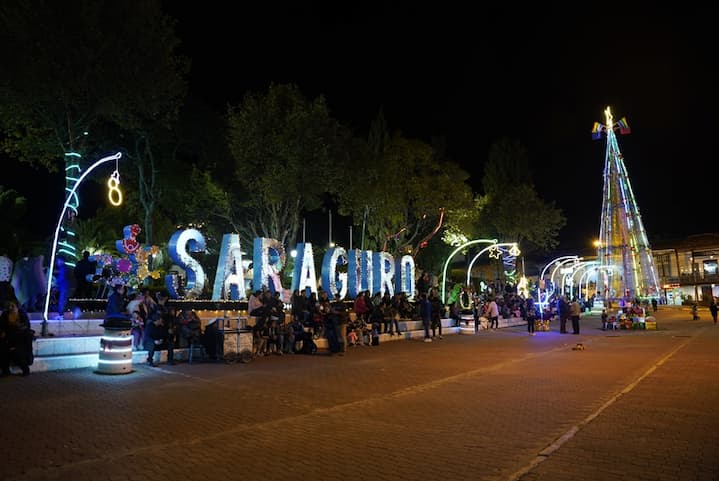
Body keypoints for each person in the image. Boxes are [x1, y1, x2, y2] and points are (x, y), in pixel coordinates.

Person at [0, 300, 33, 376]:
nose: (10, 308)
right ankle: (5, 371)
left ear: (17, 307)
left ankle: (25, 369)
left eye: (12, 306)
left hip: (20, 340)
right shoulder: (5, 314)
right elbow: (2, 326)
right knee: (3, 350)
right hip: (8, 339)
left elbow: (25, 328)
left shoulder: (22, 315)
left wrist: (17, 324)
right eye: (9, 306)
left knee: (16, 352)